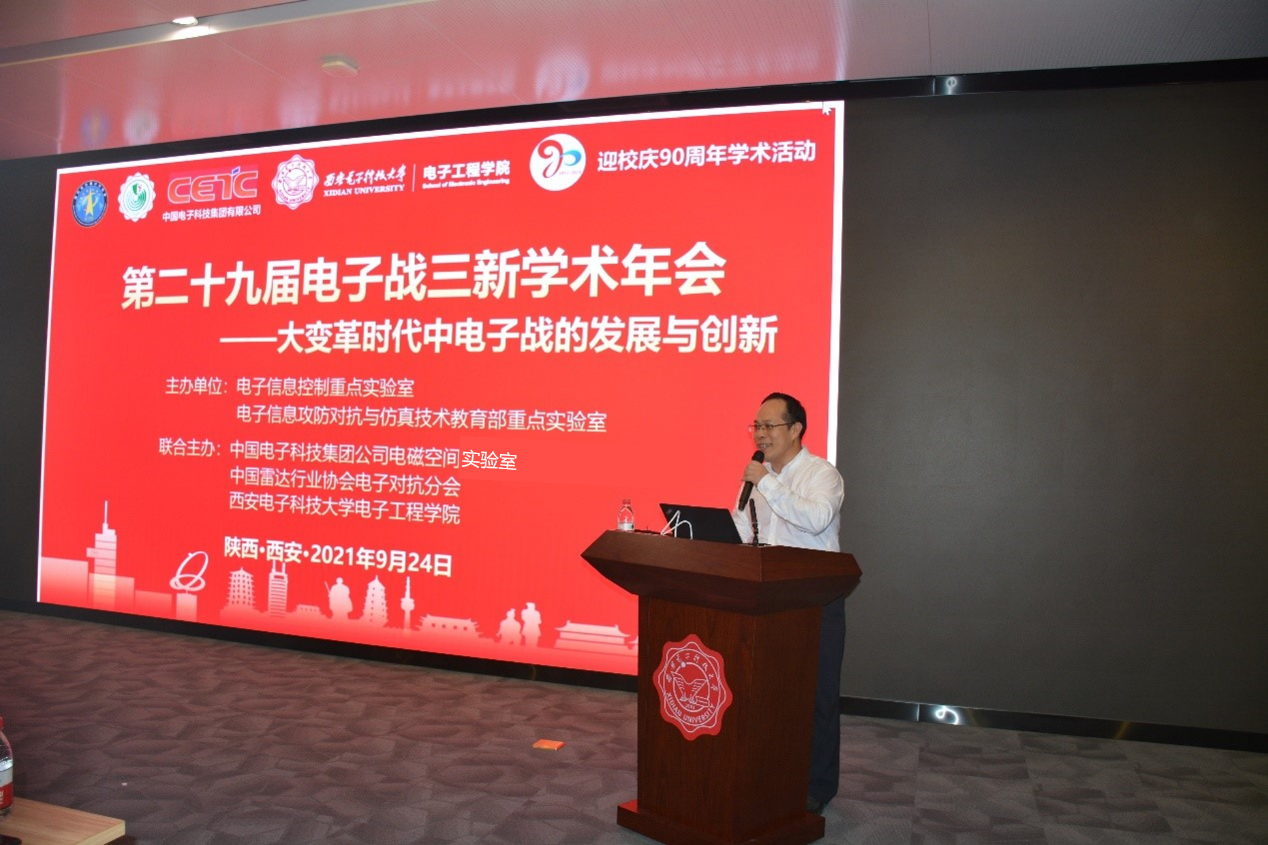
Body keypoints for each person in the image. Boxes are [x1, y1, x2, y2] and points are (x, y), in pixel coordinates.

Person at [732, 392, 845, 816]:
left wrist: (766, 483)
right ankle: (771, 775)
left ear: (796, 429)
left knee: (816, 697)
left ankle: (816, 786)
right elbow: (742, 531)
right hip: (768, 599)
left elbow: (815, 520)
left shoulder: (822, 475)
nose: (760, 434)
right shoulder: (757, 479)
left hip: (815, 599)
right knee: (768, 694)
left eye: (768, 426)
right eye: (756, 426)